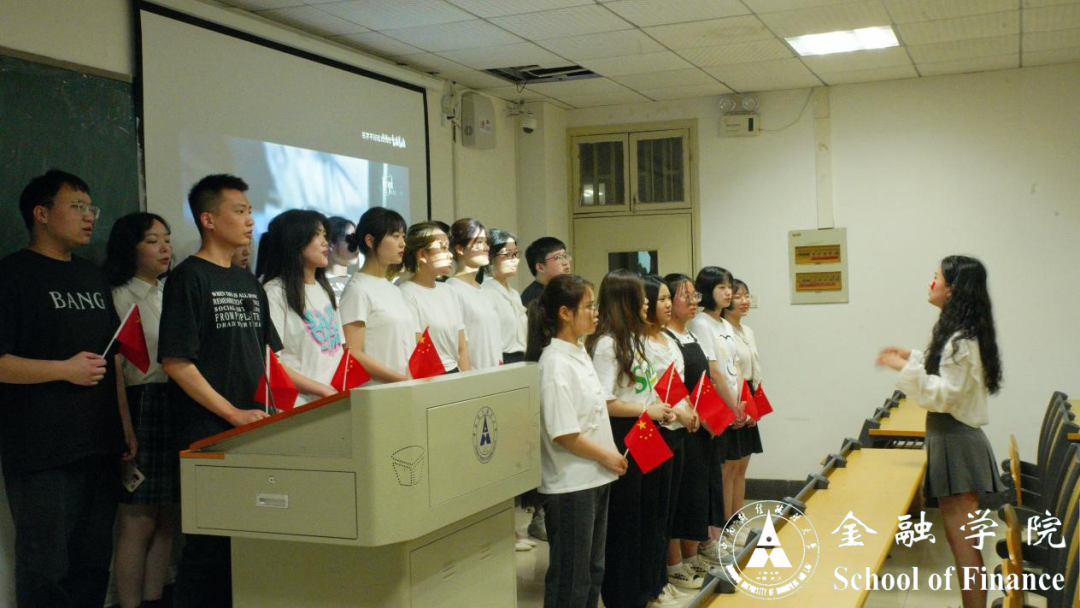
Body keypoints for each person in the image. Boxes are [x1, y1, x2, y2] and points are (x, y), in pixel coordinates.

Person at [0, 170, 133, 607]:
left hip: (100, 442)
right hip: (42, 449)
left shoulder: (91, 275)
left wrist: (125, 427)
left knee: (92, 563)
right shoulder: (12, 275)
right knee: (45, 566)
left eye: (91, 208)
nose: (89, 216)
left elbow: (112, 358)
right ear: (41, 214)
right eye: (76, 206)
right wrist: (63, 370)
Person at [158, 174, 288, 606]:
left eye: (250, 211)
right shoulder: (188, 278)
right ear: (208, 219)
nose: (250, 220)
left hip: (254, 427)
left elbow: (266, 356)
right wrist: (232, 414)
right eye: (239, 210)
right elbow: (176, 361)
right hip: (207, 430)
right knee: (208, 546)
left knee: (246, 543)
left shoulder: (247, 281)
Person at [876, 256, 1005, 608]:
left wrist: (903, 368)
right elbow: (947, 376)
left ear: (951, 290)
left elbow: (945, 394)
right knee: (961, 544)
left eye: (936, 278)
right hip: (951, 438)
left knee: (964, 547)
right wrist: (914, 358)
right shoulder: (960, 336)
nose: (930, 283)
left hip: (957, 441)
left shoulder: (961, 340)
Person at [526, 273, 626, 608]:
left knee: (593, 571)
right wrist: (607, 456)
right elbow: (564, 432)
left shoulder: (579, 351)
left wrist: (607, 459)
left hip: (595, 477)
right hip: (571, 483)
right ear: (565, 313)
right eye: (588, 307)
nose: (595, 313)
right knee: (571, 577)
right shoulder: (554, 363)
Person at [585, 269, 679, 608]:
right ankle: (624, 595)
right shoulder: (607, 344)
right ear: (625, 300)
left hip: (646, 430)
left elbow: (642, 389)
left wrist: (658, 408)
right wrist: (646, 410)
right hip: (625, 431)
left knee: (652, 512)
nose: (646, 303)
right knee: (627, 518)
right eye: (640, 297)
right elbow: (604, 401)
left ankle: (649, 587)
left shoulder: (634, 339)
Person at [104, 212, 178, 608]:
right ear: (129, 248)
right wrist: (124, 427)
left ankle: (155, 599)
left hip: (177, 399)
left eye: (166, 238)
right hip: (141, 402)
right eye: (152, 241)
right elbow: (116, 367)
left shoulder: (173, 293)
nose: (165, 248)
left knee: (169, 517)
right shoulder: (118, 297)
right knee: (138, 518)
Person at [640, 275, 701, 592]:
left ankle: (663, 579)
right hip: (653, 431)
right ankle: (659, 579)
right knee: (653, 510)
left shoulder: (666, 338)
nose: (666, 305)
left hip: (676, 430)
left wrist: (688, 408)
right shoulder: (641, 343)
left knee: (669, 506)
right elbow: (652, 389)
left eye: (668, 298)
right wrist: (679, 411)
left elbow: (675, 382)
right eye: (662, 299)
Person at [662, 273, 724, 583]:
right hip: (681, 425)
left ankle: (692, 555)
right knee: (681, 496)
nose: (693, 301)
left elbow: (703, 383)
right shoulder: (666, 338)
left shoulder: (690, 334)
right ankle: (674, 564)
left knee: (698, 493)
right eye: (684, 295)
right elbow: (672, 387)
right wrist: (693, 414)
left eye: (694, 295)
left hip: (701, 426)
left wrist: (715, 418)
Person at [687, 265, 745, 563]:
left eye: (729, 286)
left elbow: (734, 366)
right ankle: (711, 536)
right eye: (721, 287)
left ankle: (721, 532)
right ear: (707, 291)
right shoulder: (701, 324)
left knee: (727, 468)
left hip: (732, 403)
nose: (728, 292)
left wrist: (740, 402)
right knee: (716, 473)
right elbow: (713, 371)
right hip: (715, 408)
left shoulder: (724, 324)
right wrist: (731, 405)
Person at [258, 210, 342, 405]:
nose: (325, 242)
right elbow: (271, 362)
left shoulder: (324, 289)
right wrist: (321, 390)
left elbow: (338, 350)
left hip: (333, 401)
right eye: (317, 234)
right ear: (295, 240)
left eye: (325, 235)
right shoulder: (275, 292)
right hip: (299, 406)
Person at [339, 207, 415, 384]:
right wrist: (401, 379)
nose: (402, 243)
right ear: (370, 241)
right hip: (379, 390)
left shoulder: (394, 289)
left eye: (403, 236)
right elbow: (352, 352)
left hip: (405, 387)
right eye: (395, 236)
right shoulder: (358, 289)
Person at [719, 278, 764, 542]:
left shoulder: (747, 331)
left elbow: (754, 371)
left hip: (749, 394)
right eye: (737, 296)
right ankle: (725, 527)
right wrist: (738, 403)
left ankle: (738, 521)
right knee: (729, 467)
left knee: (742, 467)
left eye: (746, 295)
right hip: (733, 397)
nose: (744, 301)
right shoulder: (722, 330)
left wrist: (754, 404)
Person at [399, 222, 470, 373]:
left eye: (448, 248)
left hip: (455, 373)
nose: (450, 254)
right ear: (422, 255)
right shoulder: (406, 293)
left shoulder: (449, 291)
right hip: (430, 377)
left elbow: (462, 349)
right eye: (443, 248)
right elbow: (418, 351)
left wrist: (468, 381)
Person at [447, 218, 502, 369]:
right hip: (475, 377)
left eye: (486, 242)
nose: (486, 248)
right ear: (460, 249)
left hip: (497, 375)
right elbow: (457, 346)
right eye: (479, 242)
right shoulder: (452, 289)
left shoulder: (485, 291)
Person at [483, 229, 527, 365]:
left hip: (522, 358)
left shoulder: (514, 293)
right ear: (490, 257)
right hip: (501, 360)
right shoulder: (485, 291)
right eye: (507, 254)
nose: (514, 260)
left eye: (515, 254)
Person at [521, 236, 571, 307]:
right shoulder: (534, 300)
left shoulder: (566, 289)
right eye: (558, 257)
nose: (565, 262)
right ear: (540, 267)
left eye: (565, 256)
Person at [325, 216, 358, 300]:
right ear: (330, 244)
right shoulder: (315, 283)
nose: (357, 246)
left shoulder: (358, 283)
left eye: (358, 240)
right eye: (351, 239)